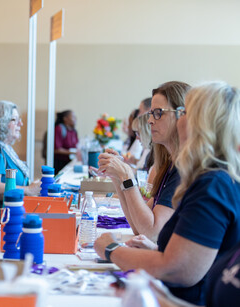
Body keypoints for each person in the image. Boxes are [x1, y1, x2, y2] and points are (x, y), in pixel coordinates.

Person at [94, 81, 240, 306]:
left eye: (184, 113)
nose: (150, 120)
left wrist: (111, 249)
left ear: (200, 124)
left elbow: (177, 269)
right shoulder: (210, 176)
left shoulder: (213, 184)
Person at [97, 81, 190, 241]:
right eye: (151, 113)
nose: (150, 121)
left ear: (181, 115)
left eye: (159, 113)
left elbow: (152, 232)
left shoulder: (184, 167)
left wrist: (126, 175)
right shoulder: (168, 165)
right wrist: (117, 177)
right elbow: (137, 226)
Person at [0, 101, 41, 237]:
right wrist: (28, 190)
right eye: (14, 120)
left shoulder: (5, 148)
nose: (20, 124)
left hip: (8, 217)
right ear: (0, 122)